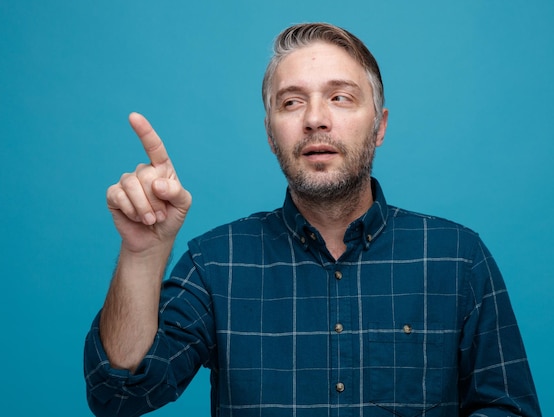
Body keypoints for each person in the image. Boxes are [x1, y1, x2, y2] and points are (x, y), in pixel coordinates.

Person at [84, 23, 541, 416]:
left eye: (340, 98)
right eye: (291, 103)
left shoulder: (458, 258)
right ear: (270, 134)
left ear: (379, 126)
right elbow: (118, 395)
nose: (315, 119)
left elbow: (509, 408)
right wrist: (143, 253)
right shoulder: (215, 264)